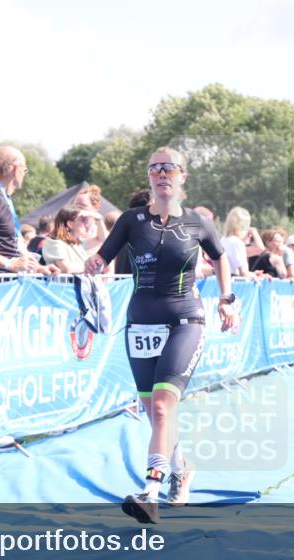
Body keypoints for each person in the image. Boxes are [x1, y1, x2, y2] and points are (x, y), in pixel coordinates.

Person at [84, 147, 237, 524]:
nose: (162, 174)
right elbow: (102, 258)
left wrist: (226, 299)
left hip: (185, 320)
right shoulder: (130, 221)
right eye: (155, 169)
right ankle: (181, 469)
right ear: (149, 177)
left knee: (164, 406)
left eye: (169, 168)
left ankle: (150, 493)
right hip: (140, 323)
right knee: (155, 412)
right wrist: (92, 264)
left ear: (183, 176)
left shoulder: (198, 223)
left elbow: (219, 257)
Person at [0, 146, 56, 282]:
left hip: (7, 281)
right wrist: (9, 264)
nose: (24, 173)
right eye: (24, 169)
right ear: (16, 169)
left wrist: (38, 268)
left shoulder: (3, 197)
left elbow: (10, 245)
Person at [41, 205, 102, 274]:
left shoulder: (76, 244)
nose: (87, 224)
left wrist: (99, 218)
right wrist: (89, 268)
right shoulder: (54, 243)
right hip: (62, 284)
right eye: (83, 220)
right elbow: (66, 269)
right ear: (70, 224)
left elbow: (102, 238)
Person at [221, 207, 252, 277]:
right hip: (234, 282)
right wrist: (257, 276)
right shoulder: (237, 243)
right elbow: (243, 273)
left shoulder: (222, 240)